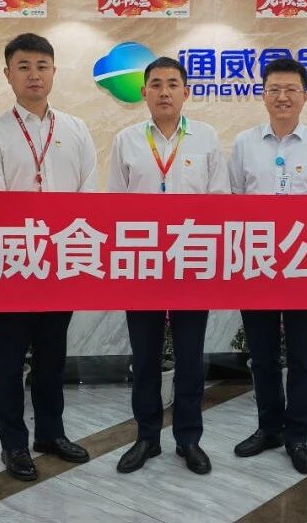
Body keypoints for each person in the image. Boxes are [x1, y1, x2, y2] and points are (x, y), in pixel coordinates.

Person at [0, 32, 96, 481]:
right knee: (8, 363)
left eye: (42, 66)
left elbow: (88, 196)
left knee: (52, 358)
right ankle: (13, 444)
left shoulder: (76, 129)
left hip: (61, 264)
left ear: (54, 72)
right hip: (16, 265)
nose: (33, 75)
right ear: (8, 74)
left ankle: (50, 433)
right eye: (23, 66)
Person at [108, 56, 229, 475]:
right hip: (142, 265)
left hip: (191, 263)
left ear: (186, 92)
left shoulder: (206, 138)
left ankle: (188, 439)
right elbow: (115, 207)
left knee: (190, 359)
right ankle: (147, 437)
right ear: (143, 93)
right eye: (156, 84)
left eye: (173, 84)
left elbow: (219, 201)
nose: (164, 92)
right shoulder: (126, 140)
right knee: (145, 359)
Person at [229, 57, 307, 475]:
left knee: (301, 358)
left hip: (303, 266)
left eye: (291, 90)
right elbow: (232, 204)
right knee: (261, 357)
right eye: (274, 89)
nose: (282, 97)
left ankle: (297, 435)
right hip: (257, 265)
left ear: (305, 95)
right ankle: (268, 428)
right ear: (263, 95)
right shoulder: (244, 144)